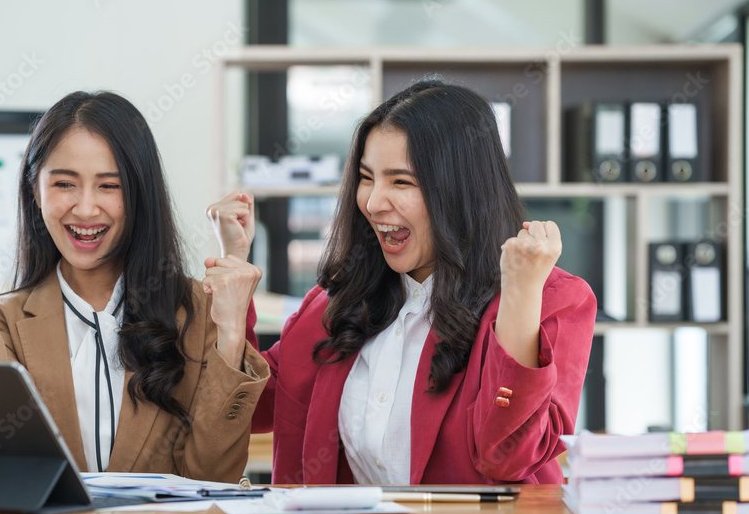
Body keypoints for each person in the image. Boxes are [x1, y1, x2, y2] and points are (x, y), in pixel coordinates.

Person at [203, 79, 597, 485]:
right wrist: (233, 293)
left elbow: (507, 456)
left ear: (461, 191)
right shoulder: (333, 303)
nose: (373, 203)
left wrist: (521, 293)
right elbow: (247, 411)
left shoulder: (554, 299)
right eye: (366, 177)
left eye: (401, 182)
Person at [0, 91, 268, 483]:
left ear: (140, 194)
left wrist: (232, 331)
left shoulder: (195, 312)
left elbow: (212, 476)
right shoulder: (5, 322)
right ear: (35, 191)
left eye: (109, 186)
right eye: (65, 184)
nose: (85, 209)